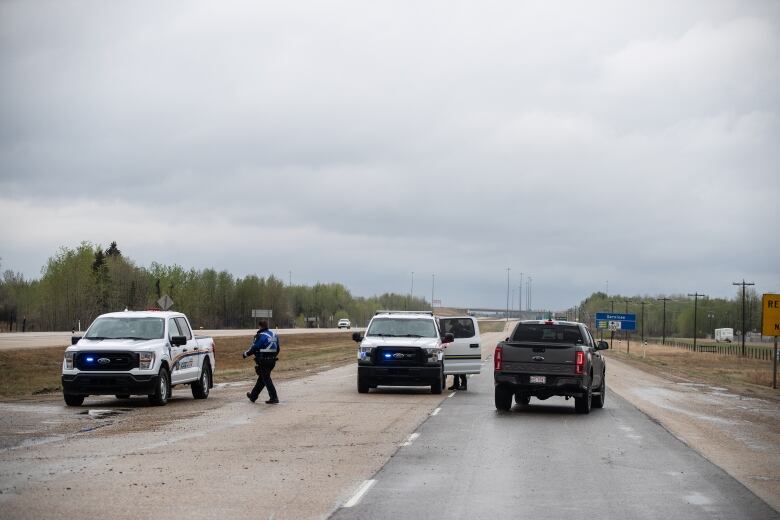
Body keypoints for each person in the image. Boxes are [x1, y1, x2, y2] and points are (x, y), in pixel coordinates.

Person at [243, 320, 280, 404]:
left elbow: (254, 348)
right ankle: (253, 396)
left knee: (266, 379)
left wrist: (246, 354)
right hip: (272, 361)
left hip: (263, 361)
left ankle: (274, 397)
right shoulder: (274, 334)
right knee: (262, 379)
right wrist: (272, 356)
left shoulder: (260, 336)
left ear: (260, 326)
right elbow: (278, 349)